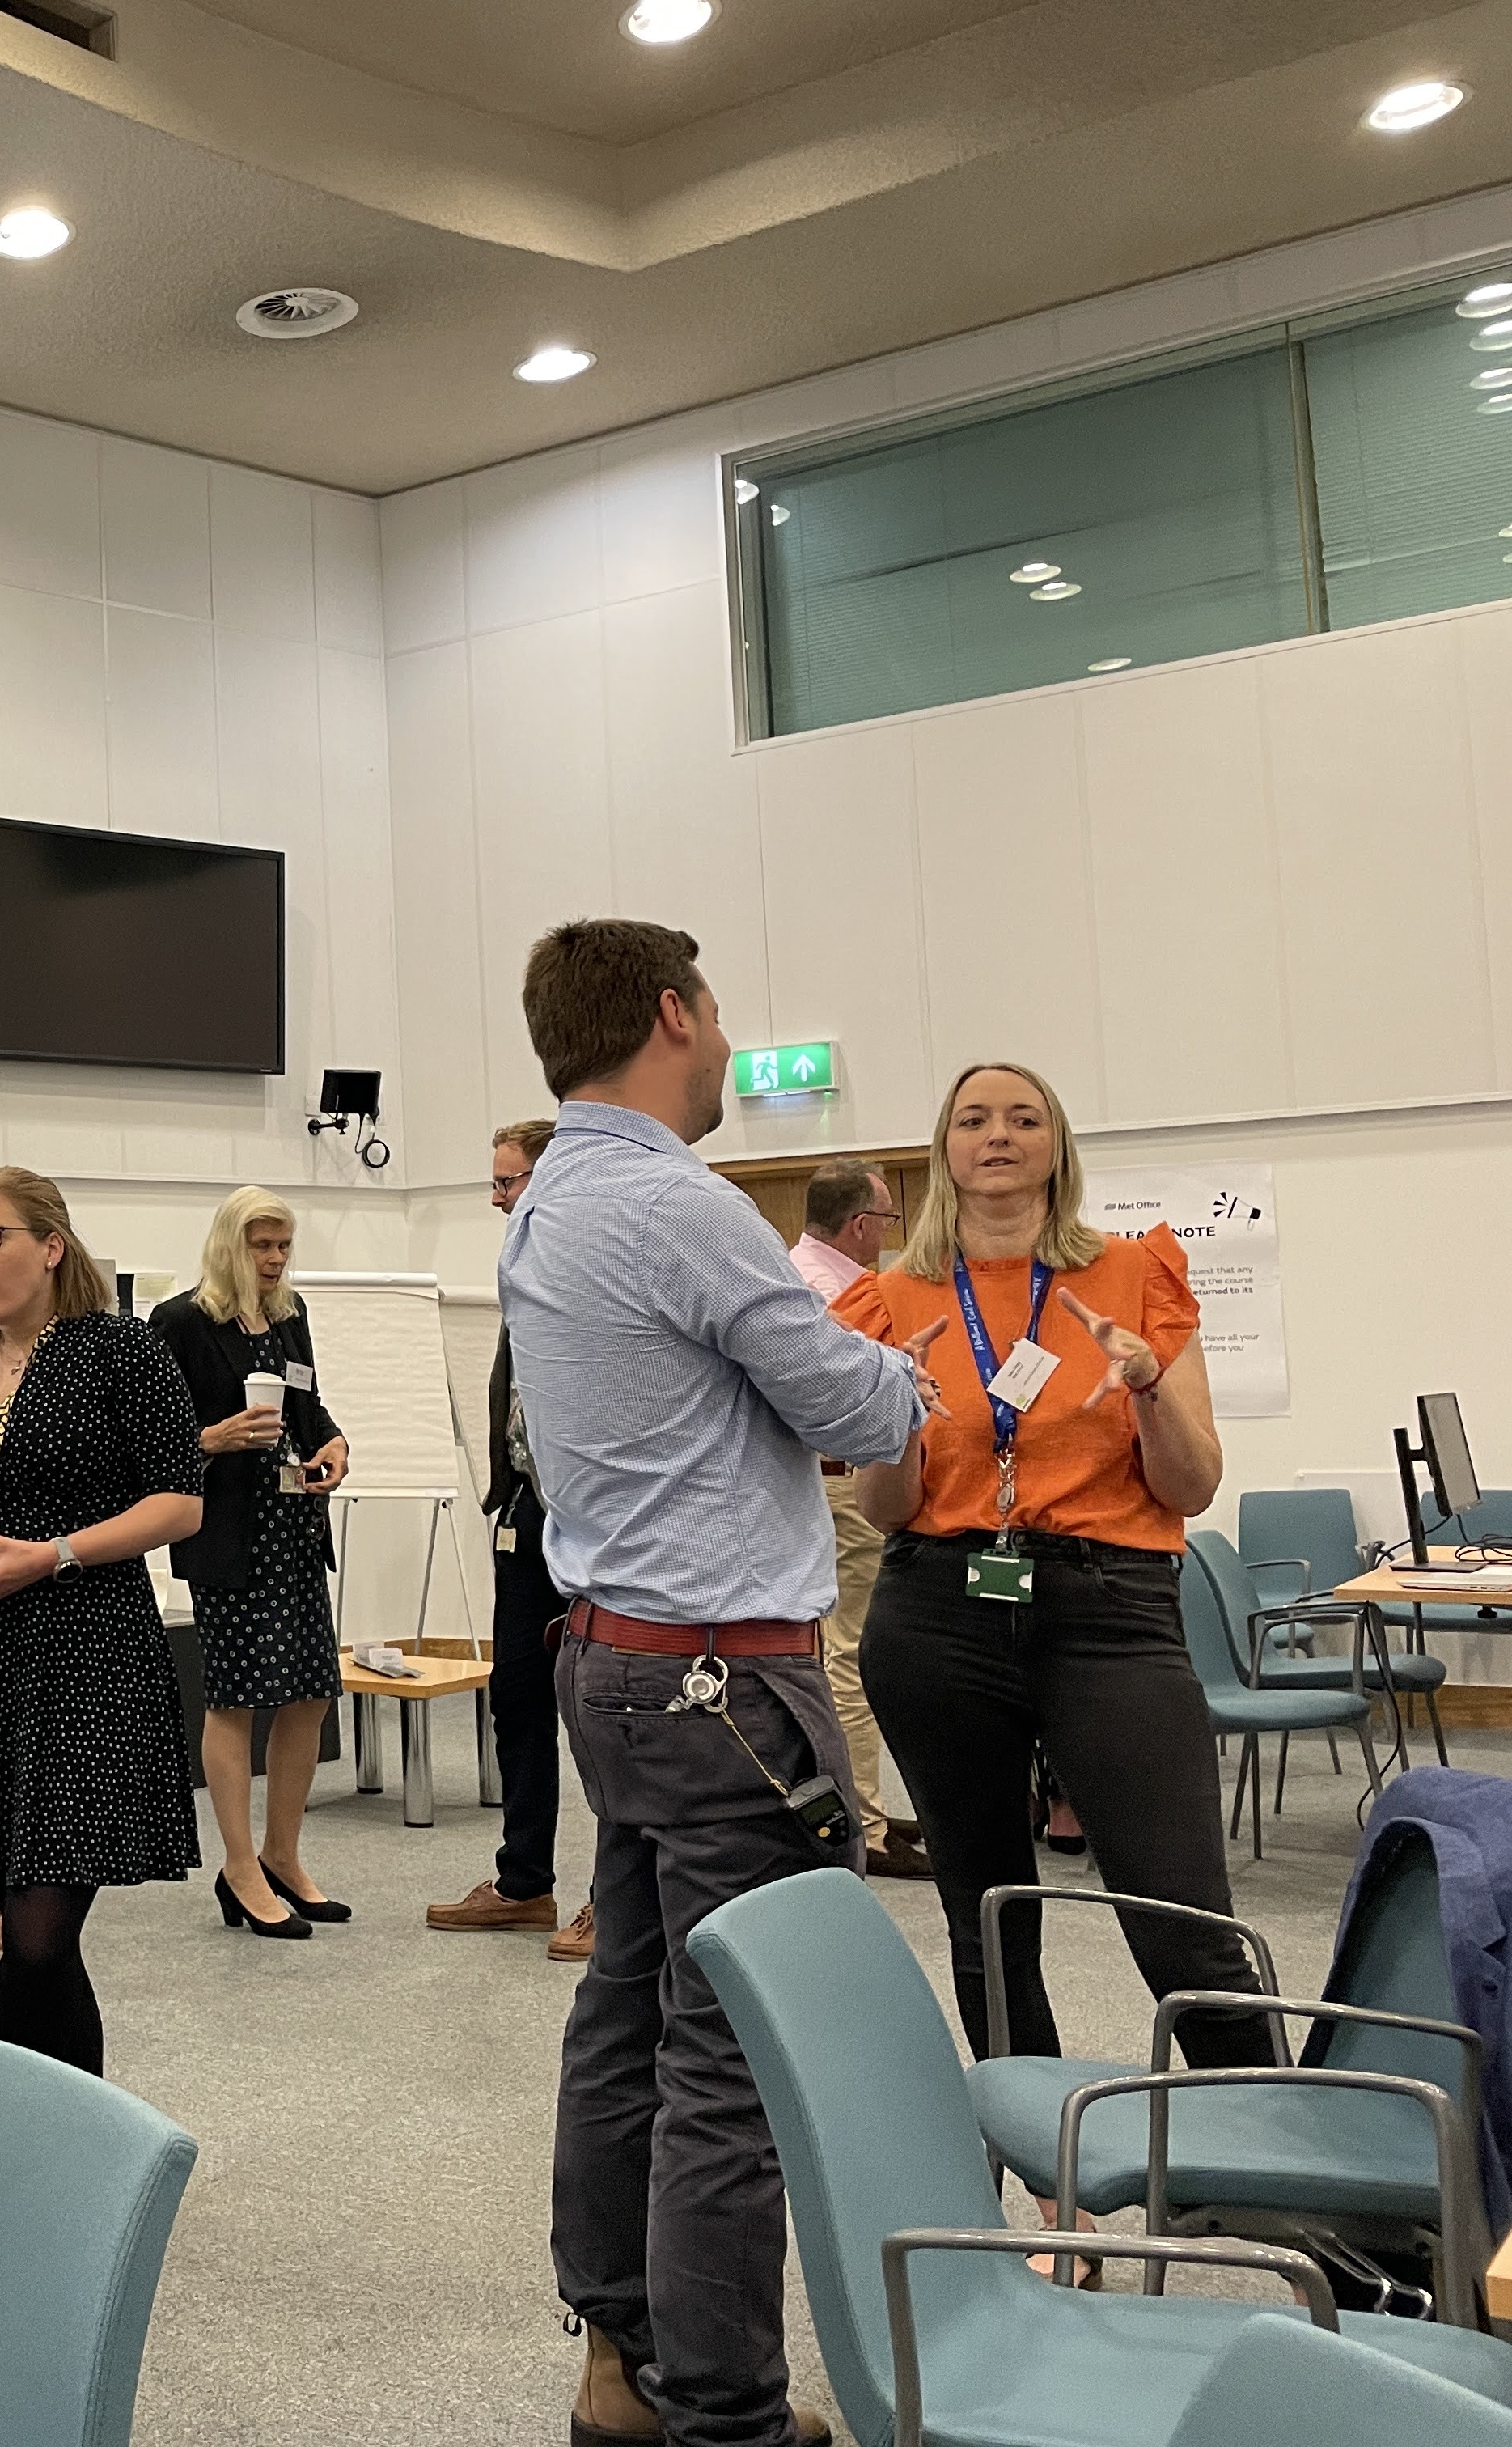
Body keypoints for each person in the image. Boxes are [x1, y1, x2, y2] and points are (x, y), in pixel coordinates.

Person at [499, 919, 926, 2447]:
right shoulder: (680, 1202)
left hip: (618, 1665)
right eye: (721, 1012)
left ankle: (620, 2367)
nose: (734, 1045)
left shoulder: (549, 1198)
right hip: (723, 1685)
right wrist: (904, 1368)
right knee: (729, 2053)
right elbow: (854, 1406)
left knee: (626, 2015)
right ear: (673, 1014)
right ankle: (728, 2413)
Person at [832, 1062, 1268, 2078]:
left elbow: (1193, 1486)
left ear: (1057, 1147)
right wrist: (893, 1412)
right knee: (987, 1917)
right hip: (939, 1611)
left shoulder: (1134, 1276)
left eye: (1025, 1119)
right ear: (944, 1149)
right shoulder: (890, 1301)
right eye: (975, 1119)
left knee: (1183, 1919)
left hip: (1110, 1611)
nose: (999, 1135)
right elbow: (885, 1507)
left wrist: (1148, 1386)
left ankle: (1267, 2141)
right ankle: (1034, 2154)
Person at [0, 1168, 206, 2076]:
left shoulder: (120, 1348)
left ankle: (73, 2144)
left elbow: (180, 1505)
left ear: (51, 1246)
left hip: (87, 1659)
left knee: (38, 1941)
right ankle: (40, 2136)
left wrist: (55, 1553)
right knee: (20, 1936)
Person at [148, 1188, 351, 1938]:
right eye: (261, 1246)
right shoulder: (181, 1322)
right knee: (235, 1700)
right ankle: (237, 1867)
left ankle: (281, 1856)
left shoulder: (291, 1316)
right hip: (230, 1537)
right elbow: (149, 1437)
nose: (274, 1259)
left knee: (311, 1693)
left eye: (283, 1246)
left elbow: (309, 1411)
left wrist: (335, 1445)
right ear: (229, 1245)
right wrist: (212, 1438)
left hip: (294, 1529)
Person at [430, 1122, 595, 1964]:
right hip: (528, 1514)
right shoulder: (523, 1267)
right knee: (519, 1696)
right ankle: (525, 1883)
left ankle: (617, 1900)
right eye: (493, 1184)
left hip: (601, 1520)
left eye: (509, 1182)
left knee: (605, 1708)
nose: (498, 1200)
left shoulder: (599, 1266)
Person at [786, 1160, 934, 1881]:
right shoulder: (834, 1293)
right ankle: (865, 1825)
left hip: (830, 1486)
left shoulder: (795, 1276)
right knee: (848, 1654)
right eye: (887, 1220)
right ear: (861, 1225)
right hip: (846, 1483)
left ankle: (865, 1805)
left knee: (846, 1651)